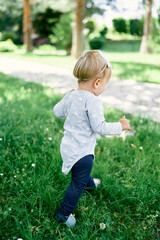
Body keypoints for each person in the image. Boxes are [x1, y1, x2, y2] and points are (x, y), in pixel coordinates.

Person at [53, 50, 131, 227]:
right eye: (105, 84)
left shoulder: (71, 95)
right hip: (82, 153)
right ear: (97, 83)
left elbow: (57, 112)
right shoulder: (93, 101)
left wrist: (66, 96)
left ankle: (91, 185)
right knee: (76, 183)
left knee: (80, 175)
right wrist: (121, 126)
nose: (104, 88)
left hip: (68, 148)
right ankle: (63, 215)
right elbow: (100, 127)